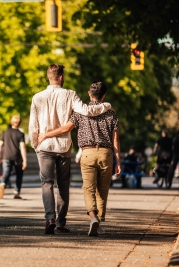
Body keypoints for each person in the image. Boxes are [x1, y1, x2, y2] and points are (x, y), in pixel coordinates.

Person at [28, 64, 112, 235]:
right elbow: (87, 111)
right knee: (63, 184)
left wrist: (35, 143)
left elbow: (32, 125)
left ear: (49, 77)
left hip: (44, 146)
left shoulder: (37, 97)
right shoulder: (70, 94)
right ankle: (60, 223)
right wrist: (106, 106)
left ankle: (49, 218)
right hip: (63, 146)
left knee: (46, 183)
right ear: (61, 77)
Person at [0, 115, 27, 200]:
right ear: (20, 123)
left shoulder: (5, 132)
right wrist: (24, 160)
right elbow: (22, 147)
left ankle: (2, 183)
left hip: (6, 156)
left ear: (11, 122)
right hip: (17, 157)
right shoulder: (20, 134)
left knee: (6, 172)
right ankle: (16, 192)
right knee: (19, 174)